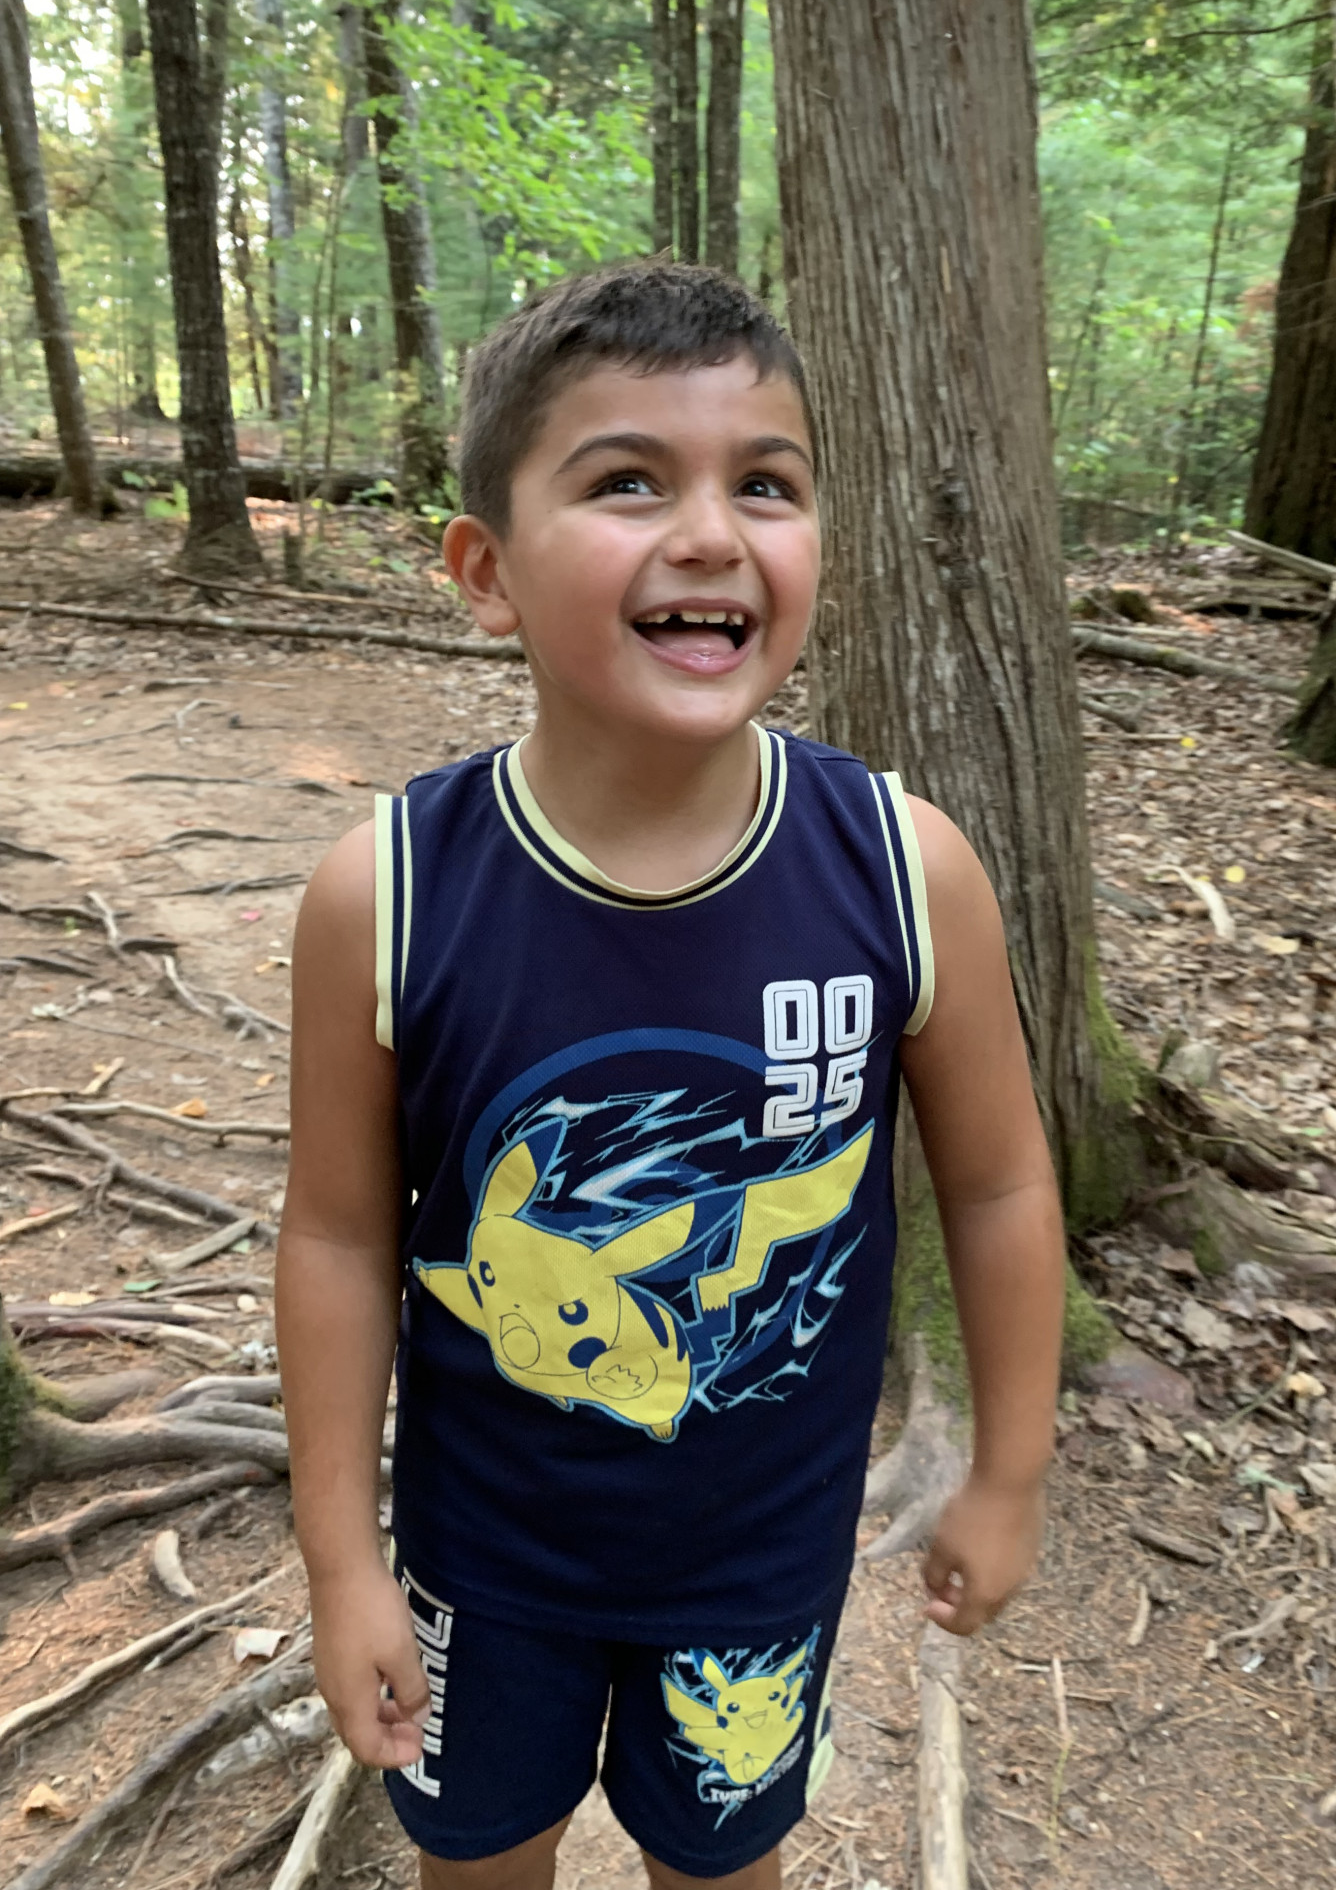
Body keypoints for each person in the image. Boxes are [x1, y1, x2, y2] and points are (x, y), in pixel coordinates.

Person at [275, 259, 1064, 1890]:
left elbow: (997, 1184)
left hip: (758, 1571)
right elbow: (341, 1239)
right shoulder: (390, 893)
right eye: (629, 481)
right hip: (484, 1563)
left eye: (765, 485)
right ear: (486, 572)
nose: (711, 533)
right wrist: (342, 1562)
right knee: (478, 1861)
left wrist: (1008, 1467)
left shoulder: (904, 871)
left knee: (721, 1868)